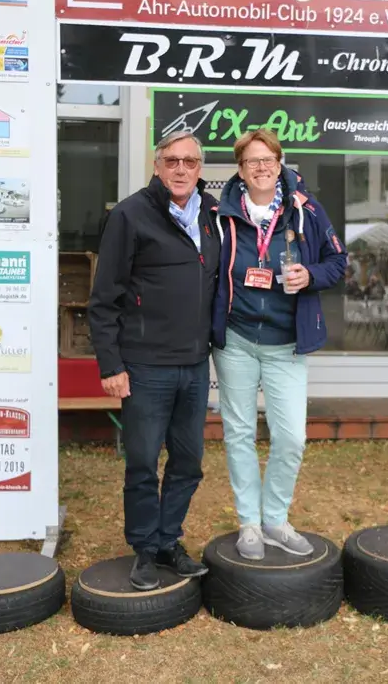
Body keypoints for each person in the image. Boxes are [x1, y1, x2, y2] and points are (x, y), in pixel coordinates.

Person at [88, 131, 220, 590]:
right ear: (157, 164)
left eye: (190, 161)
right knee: (143, 462)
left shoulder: (211, 215)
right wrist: (111, 365)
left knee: (188, 462)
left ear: (200, 169)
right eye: (172, 160)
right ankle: (144, 550)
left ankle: (168, 541)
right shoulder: (130, 214)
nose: (181, 169)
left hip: (195, 364)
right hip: (144, 365)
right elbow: (104, 298)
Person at [212, 129, 347, 561]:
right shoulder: (220, 214)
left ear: (279, 163)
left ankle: (275, 518)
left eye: (269, 159)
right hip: (235, 341)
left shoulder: (305, 209)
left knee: (290, 437)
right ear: (240, 169)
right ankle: (250, 524)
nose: (262, 167)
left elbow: (338, 261)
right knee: (239, 434)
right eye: (252, 161)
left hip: (286, 343)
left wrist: (310, 275)